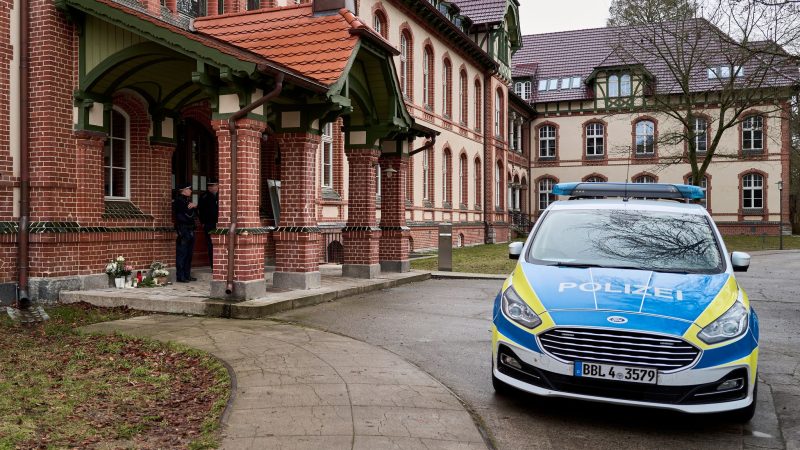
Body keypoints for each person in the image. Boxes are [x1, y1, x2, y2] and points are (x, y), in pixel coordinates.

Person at [173, 182, 197, 282]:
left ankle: (187, 275)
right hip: (183, 229)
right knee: (182, 253)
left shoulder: (187, 200)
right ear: (183, 190)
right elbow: (184, 216)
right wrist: (191, 208)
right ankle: (180, 276)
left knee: (189, 254)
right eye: (189, 189)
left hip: (190, 229)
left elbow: (194, 216)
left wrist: (194, 207)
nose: (190, 191)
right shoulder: (179, 201)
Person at [199, 178, 219, 267]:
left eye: (214, 186)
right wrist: (203, 222)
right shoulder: (204, 197)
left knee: (220, 244)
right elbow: (200, 211)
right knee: (211, 244)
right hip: (209, 224)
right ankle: (213, 266)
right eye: (210, 186)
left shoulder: (221, 195)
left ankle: (220, 264)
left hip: (220, 223)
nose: (212, 188)